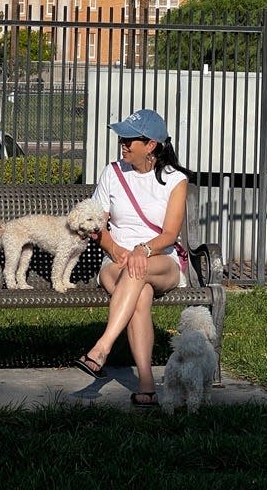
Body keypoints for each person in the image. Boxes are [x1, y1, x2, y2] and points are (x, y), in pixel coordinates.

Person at [73, 108, 193, 408]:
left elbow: (169, 234)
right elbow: (97, 224)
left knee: (139, 272)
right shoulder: (112, 173)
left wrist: (143, 249)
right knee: (139, 292)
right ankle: (147, 386)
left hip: (160, 260)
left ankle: (102, 348)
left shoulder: (175, 180)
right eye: (122, 138)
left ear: (150, 145)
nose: (123, 144)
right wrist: (114, 250)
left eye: (129, 139)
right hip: (117, 262)